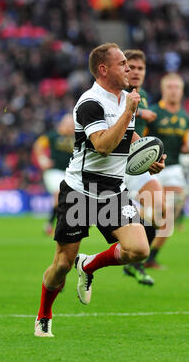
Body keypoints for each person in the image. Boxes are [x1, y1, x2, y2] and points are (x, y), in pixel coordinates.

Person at [34, 43, 166, 337]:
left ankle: (90, 264)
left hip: (113, 192)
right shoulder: (90, 103)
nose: (129, 68)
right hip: (80, 191)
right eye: (122, 64)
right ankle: (44, 314)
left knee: (139, 249)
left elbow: (127, 141)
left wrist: (148, 161)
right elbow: (104, 146)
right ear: (104, 70)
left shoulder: (127, 99)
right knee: (61, 266)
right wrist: (130, 110)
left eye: (129, 64)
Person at [144, 73, 189, 269]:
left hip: (173, 168)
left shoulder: (184, 117)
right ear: (163, 90)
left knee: (171, 213)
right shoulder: (153, 112)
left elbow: (185, 146)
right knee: (155, 213)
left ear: (181, 91)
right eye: (169, 86)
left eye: (176, 87)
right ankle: (140, 247)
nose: (173, 90)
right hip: (151, 169)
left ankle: (151, 257)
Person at [122, 49, 164, 286]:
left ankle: (134, 262)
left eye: (140, 68)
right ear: (123, 68)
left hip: (135, 166)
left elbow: (148, 136)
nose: (136, 72)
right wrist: (139, 111)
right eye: (131, 67)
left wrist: (156, 156)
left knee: (161, 211)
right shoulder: (115, 92)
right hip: (112, 166)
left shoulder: (145, 95)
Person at [33, 114, 75, 236]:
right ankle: (52, 225)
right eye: (68, 124)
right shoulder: (52, 135)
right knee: (59, 193)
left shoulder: (76, 137)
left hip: (70, 173)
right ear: (62, 124)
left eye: (72, 125)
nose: (70, 127)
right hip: (54, 171)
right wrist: (42, 158)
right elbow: (38, 145)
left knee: (64, 199)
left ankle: (50, 224)